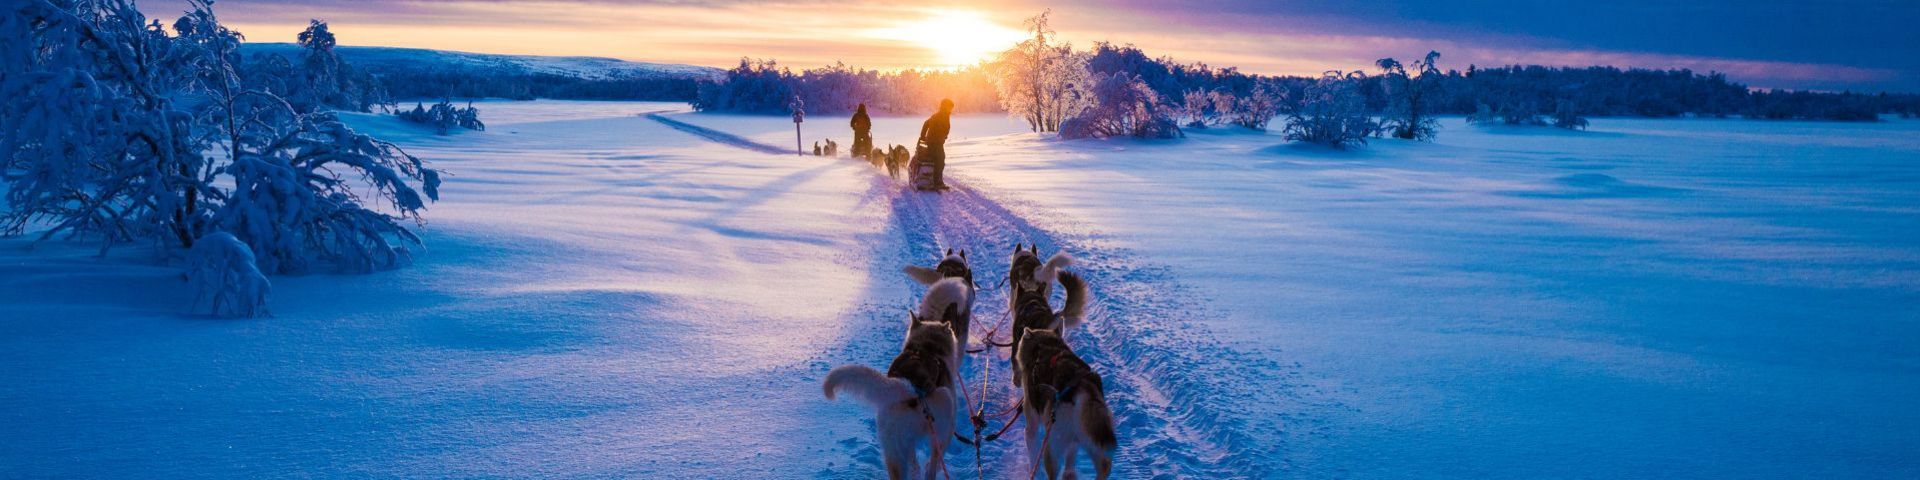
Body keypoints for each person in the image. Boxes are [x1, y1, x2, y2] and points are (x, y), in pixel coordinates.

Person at [913, 99, 954, 189]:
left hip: (935, 142)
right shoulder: (941, 116)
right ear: (945, 106)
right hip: (935, 143)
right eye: (950, 107)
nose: (951, 109)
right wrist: (924, 136)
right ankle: (937, 182)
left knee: (939, 160)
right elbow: (941, 129)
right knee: (940, 160)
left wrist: (923, 136)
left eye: (951, 107)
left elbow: (926, 123)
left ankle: (936, 180)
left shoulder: (939, 115)